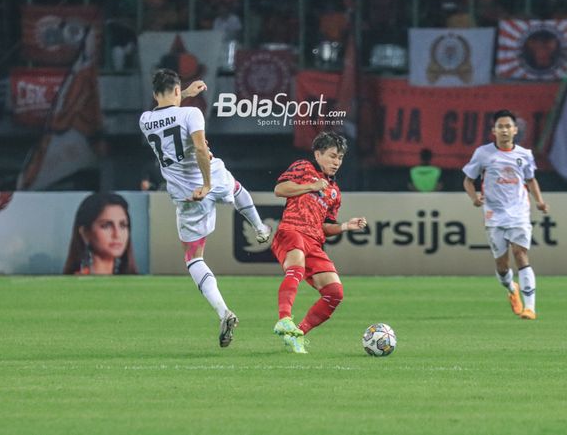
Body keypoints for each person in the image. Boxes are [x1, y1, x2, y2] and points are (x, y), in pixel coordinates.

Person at [138, 68, 271, 348]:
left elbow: (163, 111)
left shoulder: (145, 120)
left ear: (154, 94)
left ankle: (223, 312)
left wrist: (182, 94)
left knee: (193, 257)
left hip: (186, 196)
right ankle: (259, 227)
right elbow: (200, 149)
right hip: (210, 178)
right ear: (177, 90)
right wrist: (209, 184)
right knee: (236, 188)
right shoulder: (192, 113)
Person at [271, 131, 367, 353]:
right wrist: (311, 186)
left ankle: (297, 334)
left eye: (340, 158)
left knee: (335, 293)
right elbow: (279, 189)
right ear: (318, 154)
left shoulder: (334, 192)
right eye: (333, 156)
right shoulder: (304, 168)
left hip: (314, 242)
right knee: (295, 267)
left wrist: (345, 227)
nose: (337, 162)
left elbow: (325, 226)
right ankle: (284, 318)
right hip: (292, 230)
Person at [462, 109, 549, 320]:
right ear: (493, 130)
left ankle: (530, 308)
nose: (504, 130)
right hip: (494, 215)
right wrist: (474, 198)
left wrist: (539, 201)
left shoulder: (525, 154)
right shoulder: (483, 154)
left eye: (508, 126)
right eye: (500, 126)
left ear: (515, 129)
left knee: (521, 255)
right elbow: (467, 180)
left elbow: (530, 180)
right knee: (502, 267)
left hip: (519, 212)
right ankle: (511, 288)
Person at [63, 192, 139, 275]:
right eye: (106, 226)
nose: (117, 234)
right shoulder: (75, 283)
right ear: (85, 233)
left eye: (123, 225)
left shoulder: (136, 282)